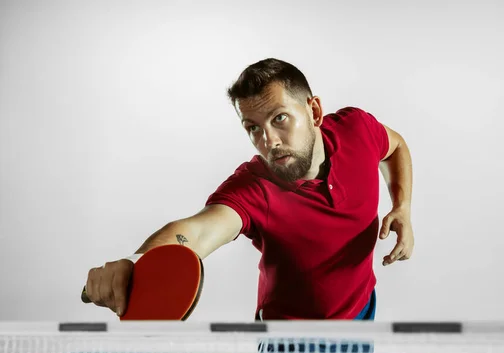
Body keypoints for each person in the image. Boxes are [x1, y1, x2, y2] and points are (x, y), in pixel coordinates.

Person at [84, 57, 414, 322]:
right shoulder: (252, 189)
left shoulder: (357, 130)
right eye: (253, 127)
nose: (268, 141)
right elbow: (195, 233)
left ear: (314, 111)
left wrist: (402, 207)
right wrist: (137, 262)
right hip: (289, 346)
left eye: (280, 118)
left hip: (361, 316)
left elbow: (396, 146)